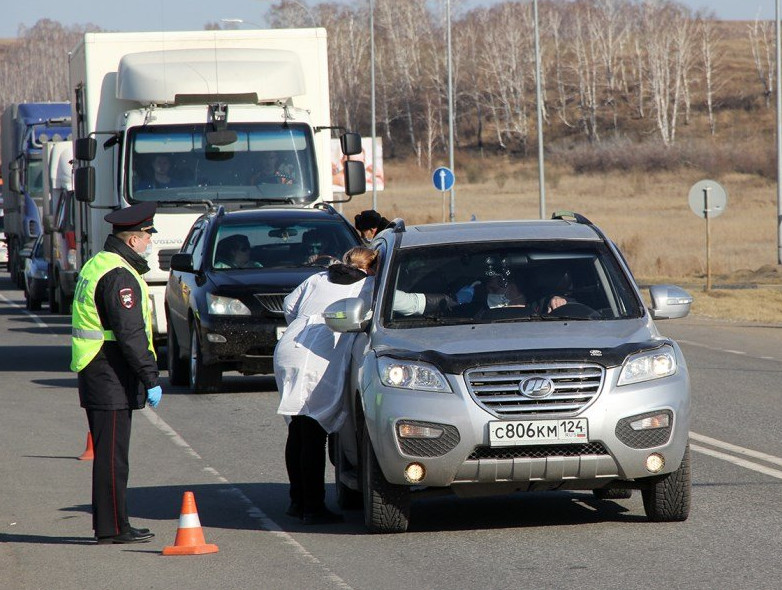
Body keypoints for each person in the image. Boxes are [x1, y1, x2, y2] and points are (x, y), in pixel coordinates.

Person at [70, 201, 162, 545]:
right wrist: (151, 377)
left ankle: (116, 523)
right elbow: (130, 333)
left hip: (99, 369)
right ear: (135, 239)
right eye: (148, 237)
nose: (151, 243)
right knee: (111, 458)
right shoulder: (119, 274)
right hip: (108, 371)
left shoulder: (99, 263)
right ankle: (111, 528)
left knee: (113, 456)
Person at [274, 246, 377, 525]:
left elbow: (290, 306)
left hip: (290, 347)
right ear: (371, 267)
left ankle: (297, 502)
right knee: (313, 432)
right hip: (317, 354)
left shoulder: (318, 278)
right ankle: (313, 507)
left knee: (297, 428)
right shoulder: (369, 284)